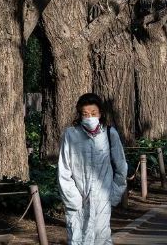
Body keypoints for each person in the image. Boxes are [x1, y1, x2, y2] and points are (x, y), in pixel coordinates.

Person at [58, 93, 128, 245]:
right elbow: (64, 171)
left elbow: (121, 168)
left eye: (93, 113)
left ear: (100, 113)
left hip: (103, 199)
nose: (89, 117)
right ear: (80, 115)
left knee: (102, 239)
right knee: (76, 239)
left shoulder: (110, 134)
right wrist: (73, 199)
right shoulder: (71, 135)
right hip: (77, 201)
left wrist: (114, 195)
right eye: (85, 114)